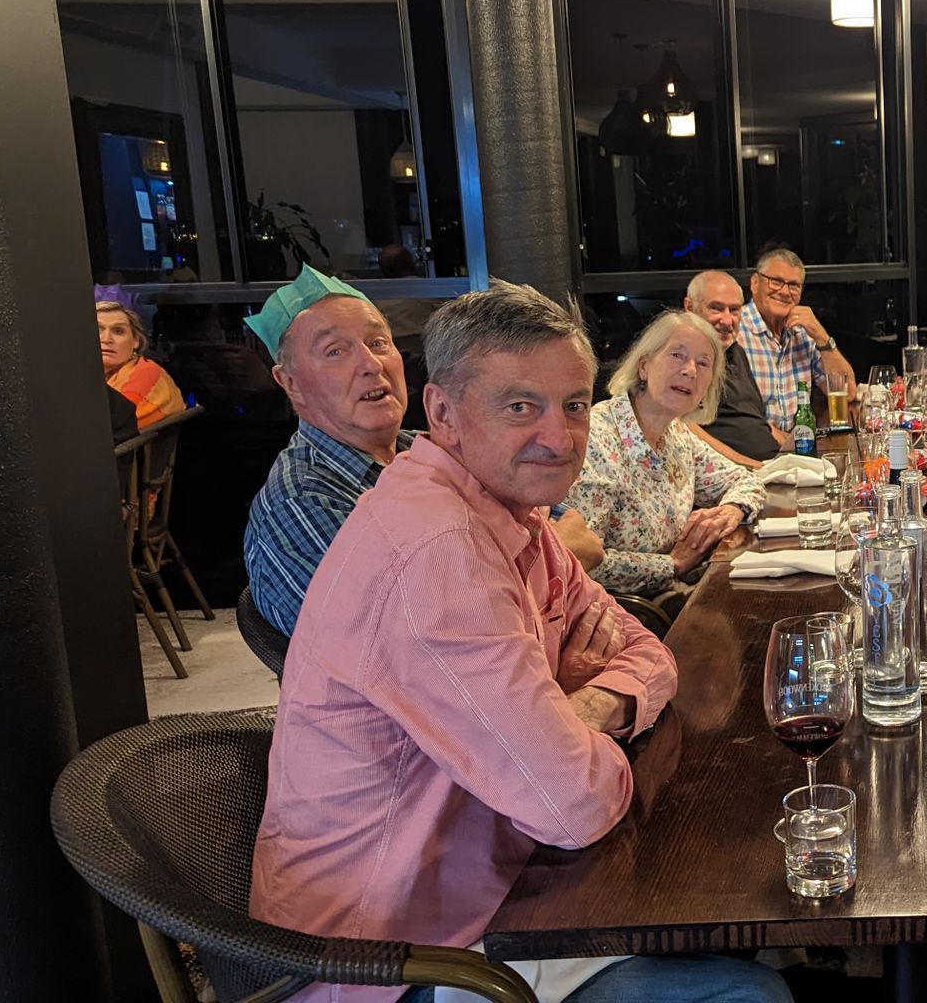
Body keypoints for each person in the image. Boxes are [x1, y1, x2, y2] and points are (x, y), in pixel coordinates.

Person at [250, 282, 790, 1003]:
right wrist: (564, 727)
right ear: (442, 413)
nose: (560, 436)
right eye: (519, 407)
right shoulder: (438, 549)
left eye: (573, 404)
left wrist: (576, 710)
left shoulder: (508, 508)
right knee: (745, 991)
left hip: (496, 890)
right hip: (390, 963)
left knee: (737, 929)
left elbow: (650, 654)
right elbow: (575, 806)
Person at [243, 266, 602, 637]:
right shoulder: (301, 499)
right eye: (335, 351)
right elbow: (408, 640)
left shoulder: (429, 446)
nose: (371, 364)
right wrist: (554, 557)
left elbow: (568, 522)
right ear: (290, 382)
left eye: (379, 342)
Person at [568, 310, 766, 613]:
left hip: (675, 592)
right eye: (677, 355)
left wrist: (731, 510)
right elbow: (581, 561)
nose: (690, 371)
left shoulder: (676, 435)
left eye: (703, 363)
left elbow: (745, 480)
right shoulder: (598, 439)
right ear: (644, 366)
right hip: (621, 613)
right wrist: (670, 564)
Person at [735, 248, 856, 437]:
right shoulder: (735, 331)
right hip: (751, 445)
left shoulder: (802, 332)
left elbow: (847, 392)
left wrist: (821, 335)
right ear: (755, 282)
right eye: (776, 281)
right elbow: (729, 414)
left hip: (797, 446)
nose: (784, 291)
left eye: (794, 285)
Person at [683, 270, 781, 466]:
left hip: (770, 467)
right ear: (690, 307)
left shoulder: (736, 351)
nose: (727, 320)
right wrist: (750, 466)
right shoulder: (684, 360)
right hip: (733, 475)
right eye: (716, 308)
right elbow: (683, 427)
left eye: (734, 310)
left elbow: (756, 420)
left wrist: (798, 451)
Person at [98, 301, 185, 428]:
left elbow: (98, 431)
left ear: (135, 341)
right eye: (97, 330)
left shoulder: (146, 374)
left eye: (118, 331)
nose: (106, 339)